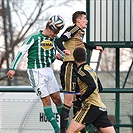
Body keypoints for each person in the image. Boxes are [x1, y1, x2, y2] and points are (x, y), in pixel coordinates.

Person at [7, 15, 70, 133]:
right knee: (46, 100)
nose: (56, 34)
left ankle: (67, 128)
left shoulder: (54, 39)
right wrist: (12, 68)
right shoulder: (34, 37)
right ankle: (57, 130)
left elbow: (62, 52)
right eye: (55, 31)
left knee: (57, 99)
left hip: (48, 70)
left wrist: (61, 57)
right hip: (36, 72)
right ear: (49, 28)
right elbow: (21, 52)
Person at [55, 11, 104, 132]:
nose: (86, 21)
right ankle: (63, 131)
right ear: (78, 20)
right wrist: (64, 50)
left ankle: (80, 130)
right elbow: (59, 41)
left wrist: (95, 47)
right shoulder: (73, 28)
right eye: (84, 19)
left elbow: (82, 44)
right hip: (70, 66)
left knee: (77, 100)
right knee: (68, 102)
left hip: (78, 67)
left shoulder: (80, 32)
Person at [66, 47, 116, 133]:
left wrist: (81, 99)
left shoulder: (81, 71)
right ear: (85, 57)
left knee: (69, 132)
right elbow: (99, 87)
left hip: (90, 107)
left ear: (74, 58)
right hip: (100, 107)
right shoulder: (90, 69)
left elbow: (92, 86)